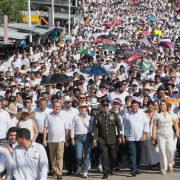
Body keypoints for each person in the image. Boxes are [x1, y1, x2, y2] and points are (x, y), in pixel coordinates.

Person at [93, 99, 123, 179]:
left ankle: (111, 168)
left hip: (112, 139)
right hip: (101, 139)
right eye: (103, 106)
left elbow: (119, 127)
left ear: (109, 106)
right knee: (104, 156)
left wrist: (120, 136)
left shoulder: (114, 115)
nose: (105, 107)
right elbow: (95, 128)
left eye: (106, 105)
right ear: (101, 106)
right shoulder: (98, 116)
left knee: (113, 155)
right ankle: (105, 172)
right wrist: (95, 138)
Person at [152, 100, 180, 175]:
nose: (162, 106)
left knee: (171, 150)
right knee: (162, 151)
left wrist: (177, 131)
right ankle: (163, 168)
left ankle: (170, 163)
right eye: (161, 105)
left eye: (163, 104)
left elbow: (175, 124)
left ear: (167, 106)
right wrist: (154, 136)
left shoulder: (171, 114)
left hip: (170, 135)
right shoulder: (157, 114)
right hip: (160, 135)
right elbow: (155, 126)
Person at [43, 100, 69, 180]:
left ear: (60, 107)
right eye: (55, 106)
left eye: (58, 106)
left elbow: (67, 129)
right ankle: (55, 169)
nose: (56, 108)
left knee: (60, 156)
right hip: (51, 140)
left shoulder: (64, 116)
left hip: (61, 140)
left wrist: (66, 139)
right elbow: (45, 128)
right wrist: (44, 139)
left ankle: (59, 173)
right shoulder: (48, 116)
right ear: (53, 107)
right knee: (52, 156)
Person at [123, 100, 149, 176]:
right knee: (132, 154)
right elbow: (123, 126)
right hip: (130, 137)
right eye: (133, 106)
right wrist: (123, 136)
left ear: (138, 106)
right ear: (131, 107)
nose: (134, 108)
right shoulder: (127, 114)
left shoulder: (143, 114)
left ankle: (138, 167)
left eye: (135, 106)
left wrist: (145, 134)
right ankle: (133, 169)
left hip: (140, 137)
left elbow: (146, 125)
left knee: (139, 154)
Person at [71, 102, 93, 178]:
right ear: (78, 108)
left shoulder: (90, 117)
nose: (82, 108)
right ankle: (80, 166)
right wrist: (72, 138)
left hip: (87, 136)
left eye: (84, 107)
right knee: (79, 155)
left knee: (87, 154)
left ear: (86, 108)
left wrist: (93, 139)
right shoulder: (75, 117)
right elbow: (72, 128)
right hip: (78, 137)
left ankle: (85, 171)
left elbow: (92, 129)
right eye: (81, 107)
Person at [61, 96, 79, 175]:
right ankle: (69, 168)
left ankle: (75, 166)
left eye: (70, 102)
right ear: (64, 103)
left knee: (74, 151)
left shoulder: (76, 111)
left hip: (74, 132)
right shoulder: (61, 112)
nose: (68, 104)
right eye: (67, 102)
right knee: (67, 152)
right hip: (64, 133)